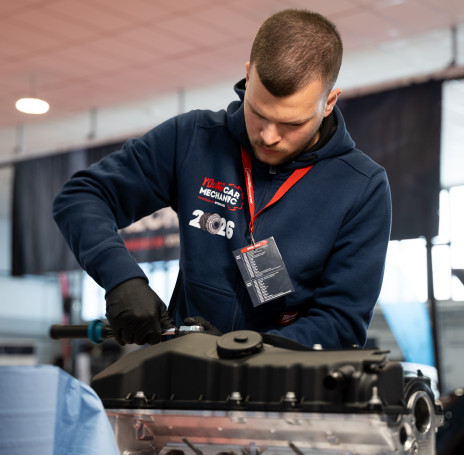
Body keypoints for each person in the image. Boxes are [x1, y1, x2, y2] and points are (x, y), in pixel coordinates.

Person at [53, 9, 391, 348]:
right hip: (183, 369)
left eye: (292, 124)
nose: (269, 136)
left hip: (282, 377)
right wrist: (122, 280)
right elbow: (82, 196)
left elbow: (340, 324)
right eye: (258, 112)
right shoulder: (192, 139)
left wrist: (243, 349)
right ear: (248, 76)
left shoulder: (362, 187)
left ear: (328, 102)